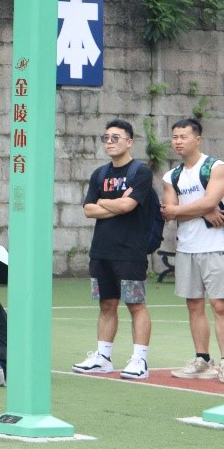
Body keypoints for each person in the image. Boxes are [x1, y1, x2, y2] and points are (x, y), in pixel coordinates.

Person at [72, 119, 155, 380]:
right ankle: (103, 358)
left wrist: (105, 203)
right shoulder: (99, 174)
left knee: (135, 304)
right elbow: (88, 210)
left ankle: (140, 360)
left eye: (115, 138)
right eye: (106, 138)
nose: (109, 142)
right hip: (101, 252)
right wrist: (117, 202)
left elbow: (129, 206)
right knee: (106, 304)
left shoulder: (140, 172)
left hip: (130, 252)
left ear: (129, 142)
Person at [161, 118, 224, 380]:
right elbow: (169, 212)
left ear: (197, 139)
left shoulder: (215, 167)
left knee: (219, 305)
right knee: (194, 305)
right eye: (175, 137)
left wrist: (190, 209)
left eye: (183, 136)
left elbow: (211, 200)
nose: (178, 141)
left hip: (216, 246)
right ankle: (202, 360)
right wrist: (203, 210)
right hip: (187, 247)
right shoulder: (171, 176)